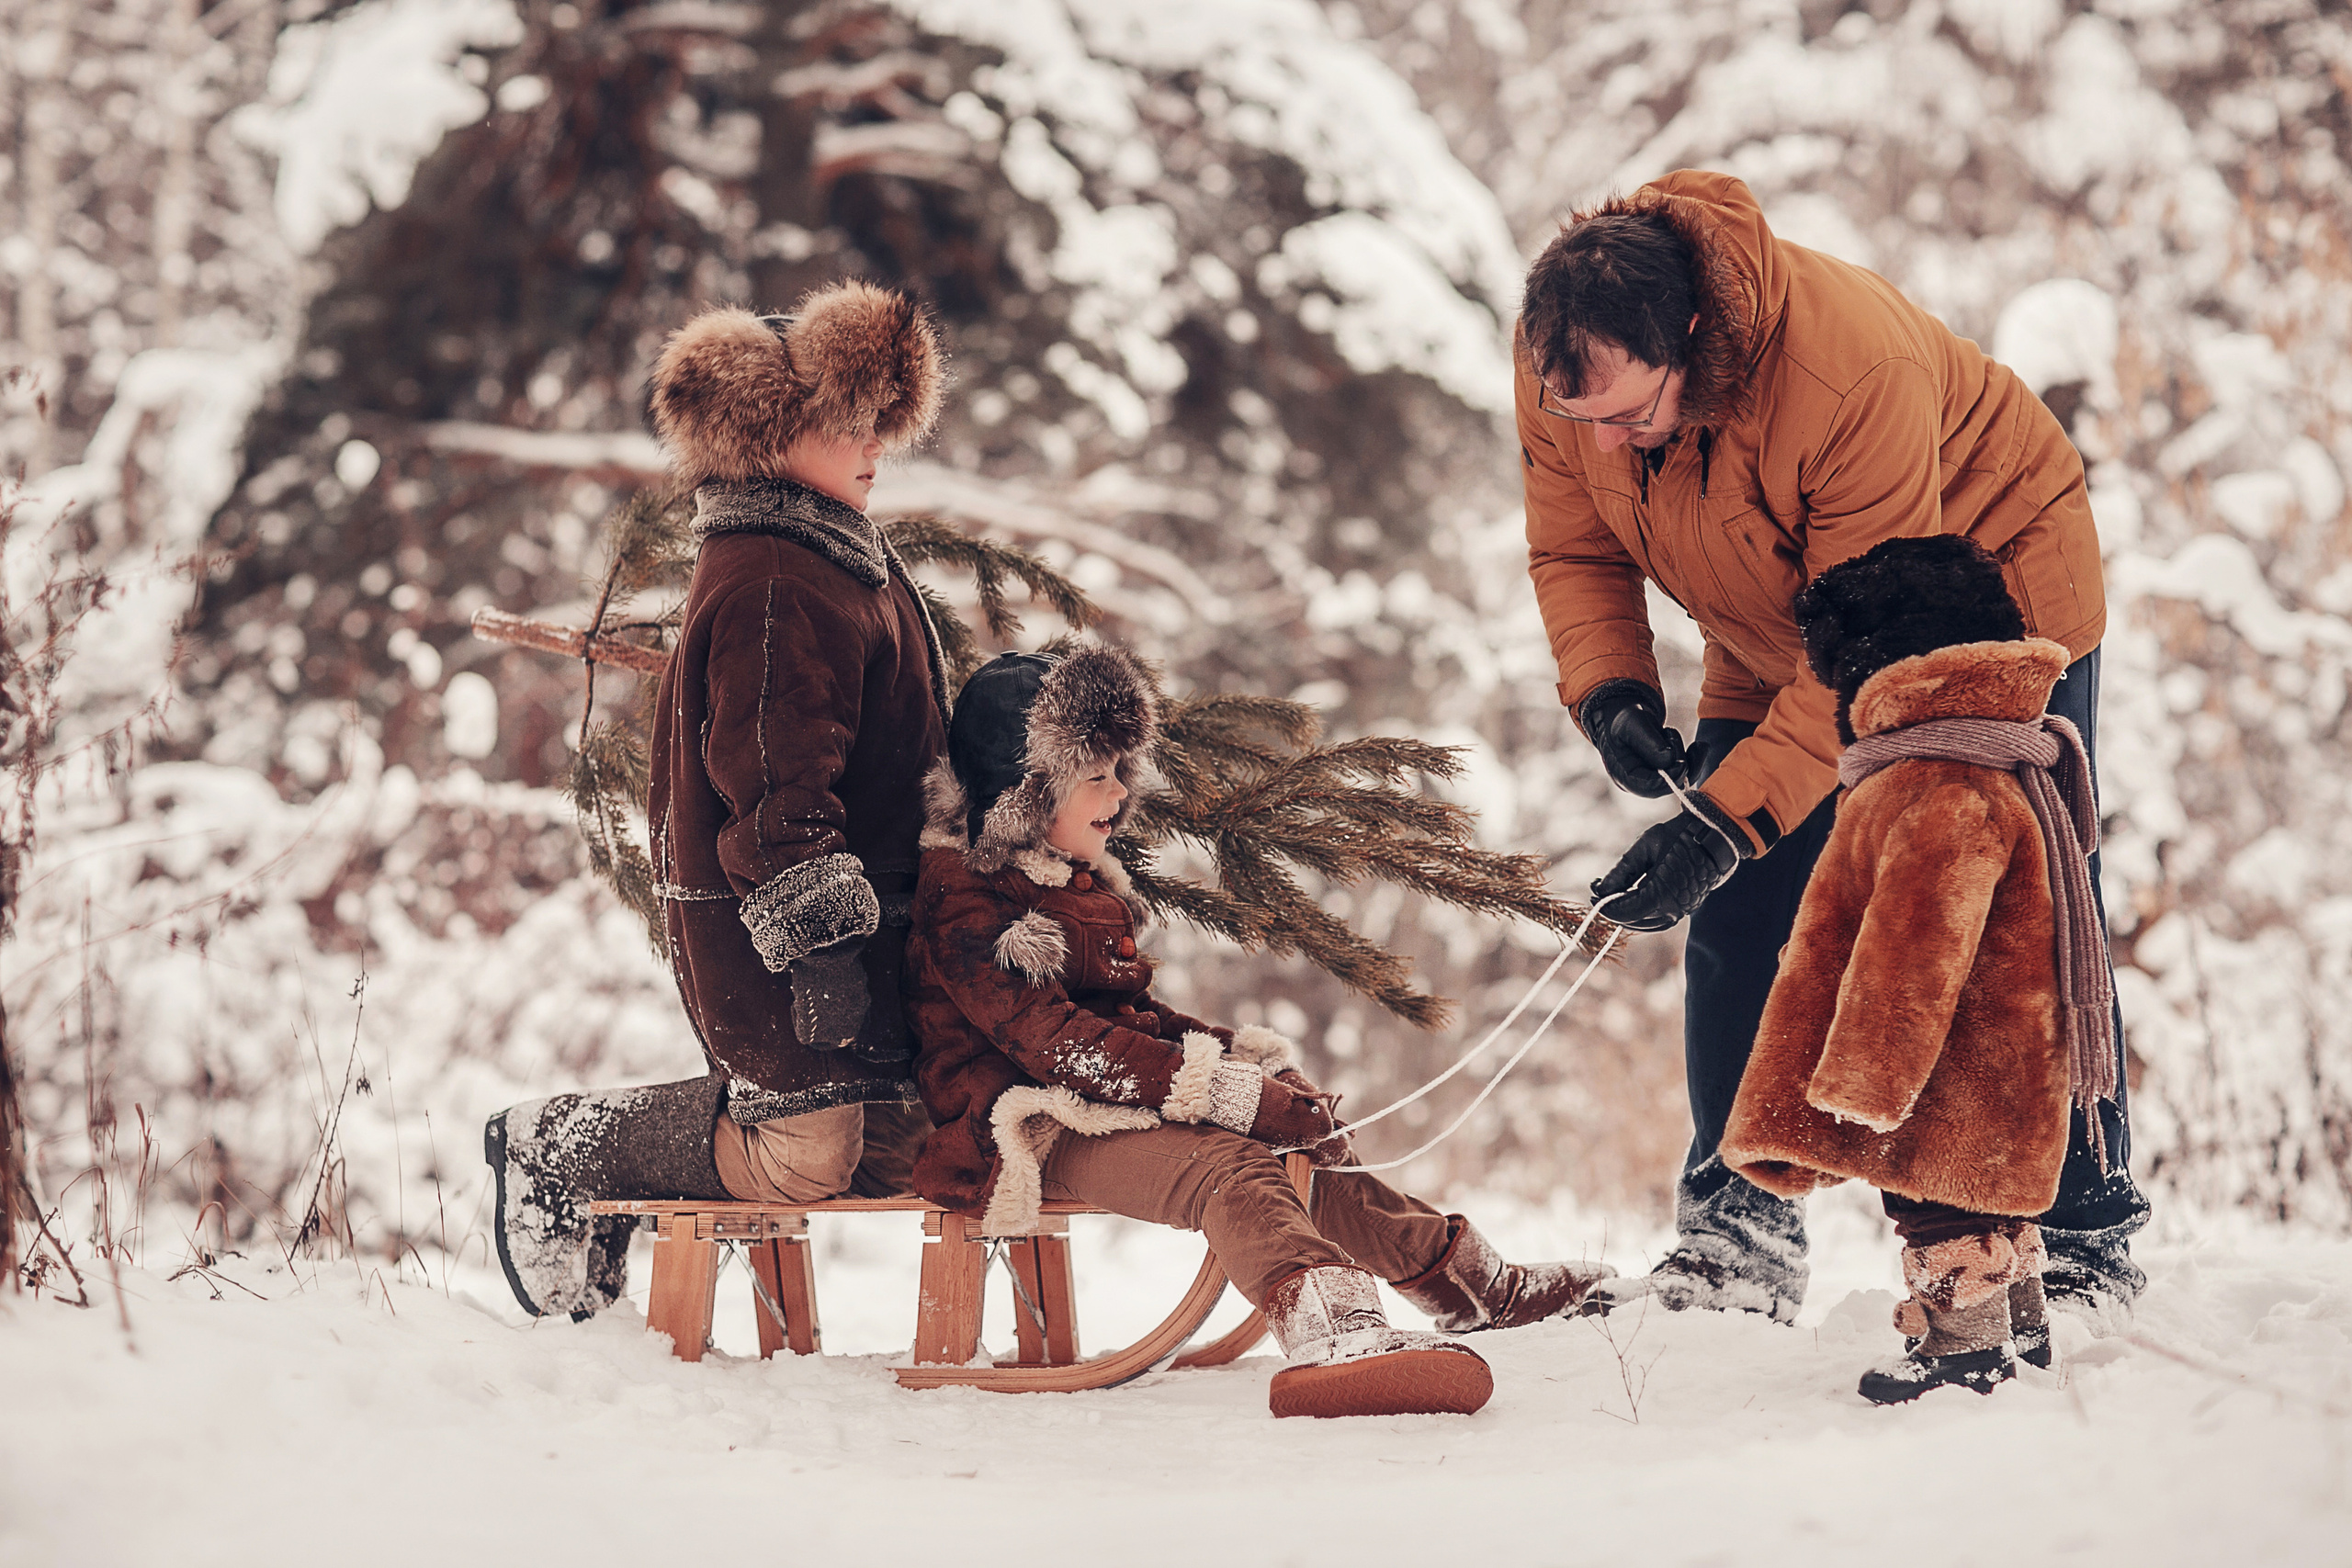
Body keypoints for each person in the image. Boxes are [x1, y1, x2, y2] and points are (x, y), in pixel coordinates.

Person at [1516, 169, 2148, 1326]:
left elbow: (1867, 635)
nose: (1602, 441)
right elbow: (1574, 548)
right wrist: (1609, 690)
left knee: (2010, 900)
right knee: (1740, 916)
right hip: (1769, 621)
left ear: (1690, 336)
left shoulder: (1847, 372)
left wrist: (1724, 818)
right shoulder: (1567, 359)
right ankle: (1736, 1238)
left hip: (1975, 591)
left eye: (1626, 415)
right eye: (1579, 419)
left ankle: (2081, 1227)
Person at [906, 643, 1613, 1417]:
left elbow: (1133, 1019)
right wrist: (1224, 1095)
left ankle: (1475, 1287)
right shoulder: (965, 897)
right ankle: (1333, 1330)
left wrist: (1246, 1071)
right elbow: (1057, 1041)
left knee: (1305, 1145)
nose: (1119, 792)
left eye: (1120, 771)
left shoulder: (1071, 880)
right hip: (1021, 1127)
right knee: (1229, 1165)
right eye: (1095, 776)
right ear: (1025, 795)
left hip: (1092, 1101)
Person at [484, 281, 948, 1318]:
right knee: (804, 1157)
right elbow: (775, 784)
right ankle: (560, 1147)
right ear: (774, 430)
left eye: (882, 420)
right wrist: (820, 949)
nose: (873, 443)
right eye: (848, 421)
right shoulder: (776, 578)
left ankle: (644, 1171)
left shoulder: (840, 552)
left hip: (876, 924)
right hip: (778, 926)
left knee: (898, 1149)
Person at [1720, 536, 2107, 1401]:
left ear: (1875, 665)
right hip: (1996, 1054)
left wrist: (1867, 1076)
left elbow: (1916, 948)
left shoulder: (1934, 780)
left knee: (1937, 1204)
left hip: (1946, 1068)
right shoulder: (1995, 757)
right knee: (1985, 1199)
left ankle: (1964, 1349)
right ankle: (2023, 1325)